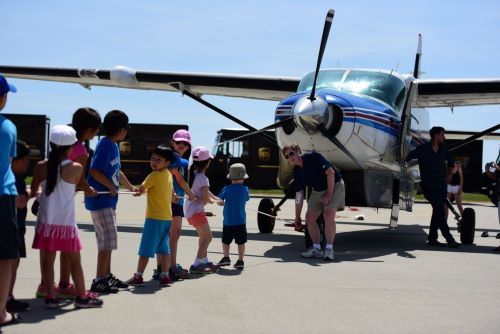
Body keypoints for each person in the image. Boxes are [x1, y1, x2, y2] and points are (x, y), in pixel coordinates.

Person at [31, 125, 103, 308]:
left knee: (47, 261)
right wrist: (91, 191)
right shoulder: (76, 168)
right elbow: (84, 187)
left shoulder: (40, 167)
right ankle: (82, 297)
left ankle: (50, 297)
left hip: (46, 223)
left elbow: (33, 192)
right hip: (66, 226)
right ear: (71, 147)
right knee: (75, 261)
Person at [85, 110, 137, 293]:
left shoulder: (114, 145)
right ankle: (99, 279)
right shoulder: (105, 145)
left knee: (109, 239)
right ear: (122, 129)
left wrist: (129, 187)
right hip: (100, 199)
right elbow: (95, 171)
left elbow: (117, 170)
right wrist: (111, 187)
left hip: (108, 201)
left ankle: (106, 276)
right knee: (107, 240)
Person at [127, 146, 182, 287]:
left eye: (158, 160)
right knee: (164, 249)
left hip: (154, 218)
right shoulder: (168, 175)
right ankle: (164, 275)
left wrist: (136, 191)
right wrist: (174, 197)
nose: (154, 162)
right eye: (152, 159)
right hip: (166, 218)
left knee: (146, 248)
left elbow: (141, 189)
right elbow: (172, 195)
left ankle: (138, 276)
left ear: (167, 163)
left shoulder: (153, 175)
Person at [282, 143, 345, 261]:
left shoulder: (313, 157)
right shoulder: (297, 171)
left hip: (334, 185)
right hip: (318, 189)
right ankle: (317, 249)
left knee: (328, 215)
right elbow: (299, 195)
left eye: (291, 153)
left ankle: (330, 249)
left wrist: (329, 194)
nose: (290, 157)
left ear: (298, 151)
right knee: (310, 217)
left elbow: (330, 173)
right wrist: (297, 217)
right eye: (287, 156)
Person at [406, 126, 460, 248]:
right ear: (436, 136)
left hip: (441, 186)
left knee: (437, 210)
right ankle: (449, 239)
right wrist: (415, 177)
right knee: (440, 210)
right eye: (442, 135)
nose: (444, 137)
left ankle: (432, 238)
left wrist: (450, 175)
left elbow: (451, 164)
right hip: (428, 186)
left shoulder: (444, 150)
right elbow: (408, 159)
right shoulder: (423, 149)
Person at [152, 129, 194, 281]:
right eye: (178, 142)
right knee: (174, 236)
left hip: (167, 201)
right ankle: (172, 267)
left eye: (185, 142)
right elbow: (178, 181)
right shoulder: (177, 161)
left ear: (188, 146)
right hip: (173, 202)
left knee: (165, 236)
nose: (182, 144)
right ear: (172, 143)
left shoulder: (170, 160)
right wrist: (190, 193)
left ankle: (160, 267)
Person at [0, 74, 21, 327]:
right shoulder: (8, 127)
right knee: (4, 256)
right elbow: (9, 163)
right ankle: (1, 311)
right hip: (3, 197)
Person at [184, 146, 220, 274]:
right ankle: (197, 263)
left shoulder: (194, 175)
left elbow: (205, 191)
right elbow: (205, 198)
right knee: (208, 237)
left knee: (203, 237)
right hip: (197, 212)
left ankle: (204, 260)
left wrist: (215, 198)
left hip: (189, 211)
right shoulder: (204, 178)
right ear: (208, 162)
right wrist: (212, 201)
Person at [6, 141, 31, 313]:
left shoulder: (12, 178)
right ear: (15, 160)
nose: (27, 163)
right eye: (25, 159)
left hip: (15, 227)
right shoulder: (13, 180)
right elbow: (19, 202)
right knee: (11, 265)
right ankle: (7, 297)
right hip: (12, 228)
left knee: (12, 265)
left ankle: (7, 296)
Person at [216, 163, 250, 270]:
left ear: (231, 177)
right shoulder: (245, 189)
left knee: (226, 241)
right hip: (241, 221)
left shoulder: (226, 188)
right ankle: (240, 260)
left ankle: (226, 257)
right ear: (243, 178)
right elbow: (247, 199)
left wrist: (221, 202)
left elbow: (219, 200)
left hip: (228, 221)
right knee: (241, 242)